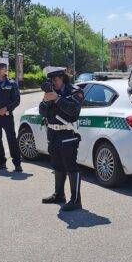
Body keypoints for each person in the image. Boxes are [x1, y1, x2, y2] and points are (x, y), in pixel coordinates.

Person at [39, 66, 85, 211]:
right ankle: (59, 195)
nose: (54, 83)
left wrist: (57, 99)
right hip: (52, 133)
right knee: (57, 165)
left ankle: (76, 200)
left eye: (56, 79)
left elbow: (74, 111)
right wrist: (47, 100)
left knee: (70, 166)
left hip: (68, 134)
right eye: (52, 80)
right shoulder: (51, 92)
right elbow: (42, 111)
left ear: (63, 78)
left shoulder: (74, 91)